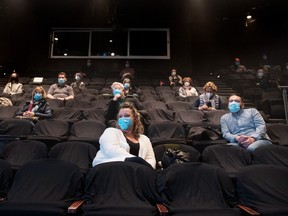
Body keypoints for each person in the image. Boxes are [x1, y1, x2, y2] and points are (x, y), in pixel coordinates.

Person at [93, 102, 156, 169]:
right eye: (120, 116)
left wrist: (146, 168)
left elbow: (150, 158)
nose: (123, 118)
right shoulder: (110, 132)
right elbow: (110, 150)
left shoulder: (145, 139)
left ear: (134, 118)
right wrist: (137, 162)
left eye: (127, 116)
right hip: (111, 169)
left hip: (137, 172)